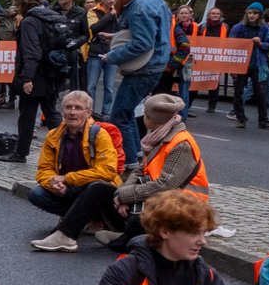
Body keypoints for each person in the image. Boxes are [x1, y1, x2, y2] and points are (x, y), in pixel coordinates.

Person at [46, 93, 206, 250]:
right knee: (97, 188)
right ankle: (65, 236)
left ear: (150, 119)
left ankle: (124, 240)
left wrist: (125, 196)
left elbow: (164, 185)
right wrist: (122, 194)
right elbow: (139, 170)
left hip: (183, 209)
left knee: (140, 220)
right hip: (159, 201)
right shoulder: (161, 136)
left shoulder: (181, 144)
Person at [95, 190, 239, 285]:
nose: (202, 241)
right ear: (165, 232)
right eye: (194, 233)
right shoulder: (124, 271)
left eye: (204, 233)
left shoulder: (207, 275)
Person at [27, 91, 121, 252]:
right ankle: (80, 219)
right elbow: (44, 170)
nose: (72, 112)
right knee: (36, 194)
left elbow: (107, 171)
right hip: (70, 188)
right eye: (68, 107)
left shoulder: (99, 134)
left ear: (88, 113)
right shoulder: (53, 135)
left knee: (94, 187)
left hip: (97, 190)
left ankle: (67, 234)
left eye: (78, 108)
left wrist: (68, 179)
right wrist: (53, 182)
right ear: (62, 111)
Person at [100, 0, 171, 166]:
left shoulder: (139, 6)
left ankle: (131, 164)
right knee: (127, 112)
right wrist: (115, 38)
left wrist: (113, 56)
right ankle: (137, 155)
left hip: (145, 68)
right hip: (153, 64)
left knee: (119, 116)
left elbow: (142, 44)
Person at [11, 0, 69, 162]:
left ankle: (21, 153)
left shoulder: (30, 21)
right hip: (53, 71)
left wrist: (27, 77)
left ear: (22, 3)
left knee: (27, 114)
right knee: (52, 112)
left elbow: (32, 51)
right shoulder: (52, 16)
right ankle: (66, 150)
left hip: (36, 73)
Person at [227, 2, 269, 129]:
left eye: (255, 13)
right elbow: (230, 45)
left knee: (261, 93)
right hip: (241, 65)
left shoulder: (264, 28)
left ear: (260, 15)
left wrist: (260, 43)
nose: (251, 15)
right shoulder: (238, 28)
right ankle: (240, 118)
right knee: (238, 93)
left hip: (258, 64)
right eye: (250, 13)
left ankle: (263, 120)